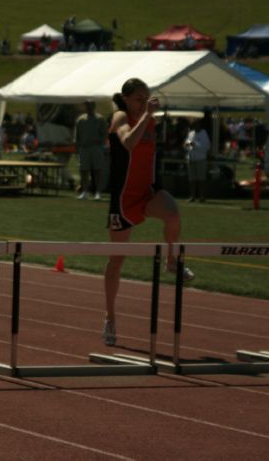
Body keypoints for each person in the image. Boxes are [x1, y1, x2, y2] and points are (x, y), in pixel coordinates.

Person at [103, 78, 193, 346]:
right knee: (117, 260)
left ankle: (171, 261)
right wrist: (146, 116)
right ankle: (110, 317)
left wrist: (149, 117)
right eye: (139, 99)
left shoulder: (150, 121)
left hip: (147, 192)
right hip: (123, 198)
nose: (144, 103)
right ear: (127, 99)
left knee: (173, 213)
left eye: (147, 98)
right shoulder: (120, 117)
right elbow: (128, 143)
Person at [74, 100, 107, 200]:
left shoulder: (100, 119)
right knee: (84, 171)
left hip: (96, 147)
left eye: (90, 106)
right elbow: (77, 135)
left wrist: (99, 143)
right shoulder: (81, 119)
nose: (89, 108)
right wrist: (77, 148)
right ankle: (85, 192)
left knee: (98, 170)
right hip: (84, 148)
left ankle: (98, 192)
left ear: (94, 106)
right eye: (87, 106)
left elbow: (104, 134)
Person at [184, 118, 211, 203]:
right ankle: (192, 196)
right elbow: (186, 144)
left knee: (201, 179)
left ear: (199, 125)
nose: (194, 127)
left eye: (195, 125)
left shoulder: (204, 134)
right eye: (192, 126)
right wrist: (186, 145)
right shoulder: (191, 133)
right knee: (192, 179)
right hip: (191, 158)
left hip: (200, 159)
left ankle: (202, 196)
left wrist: (195, 145)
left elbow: (206, 147)